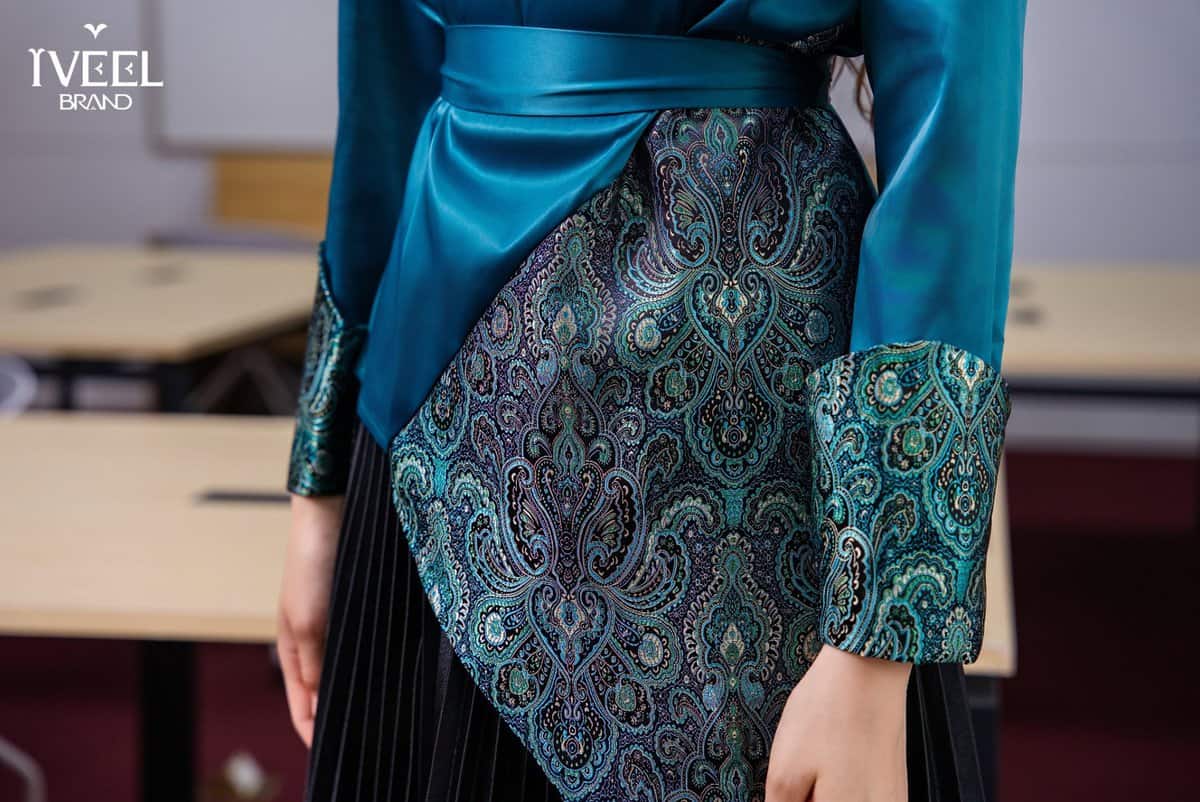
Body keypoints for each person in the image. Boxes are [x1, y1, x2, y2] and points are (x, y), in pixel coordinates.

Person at [276, 1, 1026, 800]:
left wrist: (876, 638)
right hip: (426, 414)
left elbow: (952, 128)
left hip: (740, 419)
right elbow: (385, 78)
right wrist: (319, 492)